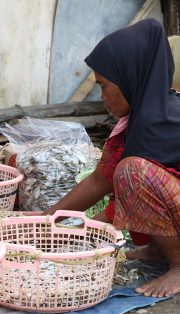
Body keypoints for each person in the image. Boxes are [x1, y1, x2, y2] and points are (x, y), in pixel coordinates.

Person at [45, 19, 180, 298]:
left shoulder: (169, 120)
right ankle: (158, 249)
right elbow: (100, 180)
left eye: (104, 86)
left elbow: (130, 180)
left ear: (132, 77)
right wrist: (48, 220)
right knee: (128, 171)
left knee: (133, 172)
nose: (103, 96)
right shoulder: (138, 123)